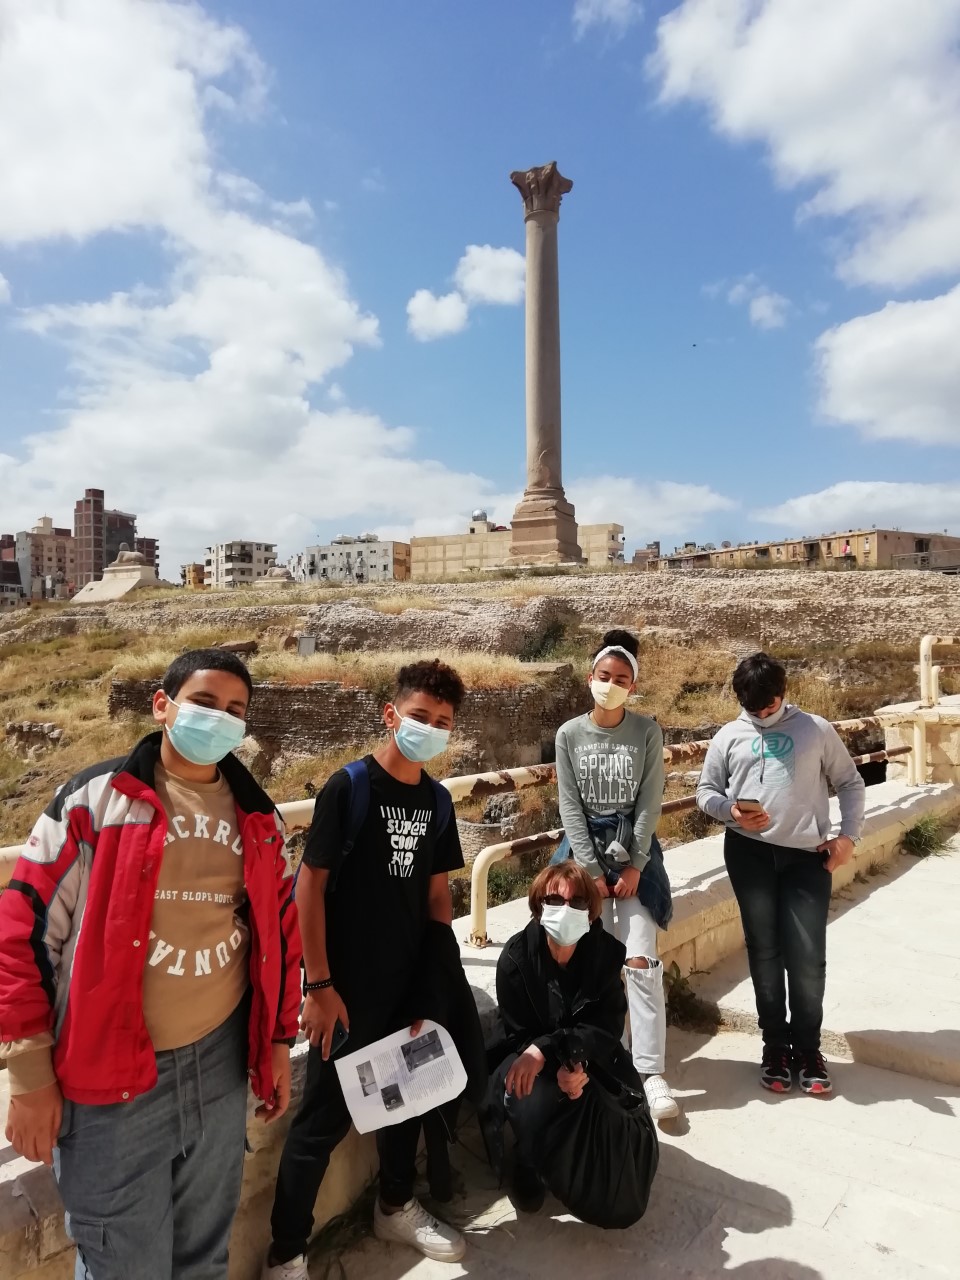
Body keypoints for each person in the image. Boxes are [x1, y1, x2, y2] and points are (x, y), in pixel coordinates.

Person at [0, 649, 302, 1280]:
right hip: (111, 1075)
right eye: (205, 703)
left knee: (203, 1258)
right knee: (122, 1265)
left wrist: (277, 1041)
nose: (220, 719)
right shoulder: (95, 800)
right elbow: (21, 931)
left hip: (218, 1062)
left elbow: (280, 935)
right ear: (163, 705)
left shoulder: (259, 818)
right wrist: (28, 1073)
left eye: (236, 710)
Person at [264, 659, 468, 1280]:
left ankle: (395, 1205)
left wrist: (433, 980)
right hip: (348, 990)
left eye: (443, 722)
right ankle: (286, 1254)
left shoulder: (436, 800)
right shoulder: (349, 788)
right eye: (420, 716)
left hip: (408, 984)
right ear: (391, 714)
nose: (430, 729)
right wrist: (319, 985)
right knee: (320, 1125)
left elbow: (437, 895)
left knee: (406, 1104)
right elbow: (308, 887)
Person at [696, 652, 865, 1095]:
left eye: (768, 706)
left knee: (807, 957)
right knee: (764, 952)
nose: (761, 715)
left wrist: (849, 836)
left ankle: (808, 1050)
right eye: (752, 709)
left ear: (783, 693)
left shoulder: (816, 729)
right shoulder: (728, 736)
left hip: (807, 858)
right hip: (748, 855)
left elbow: (850, 782)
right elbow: (706, 792)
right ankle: (775, 1047)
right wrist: (731, 810)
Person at [485, 862, 658, 1227]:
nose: (566, 909)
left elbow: (608, 1023)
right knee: (527, 1089)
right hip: (527, 1057)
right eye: (554, 900)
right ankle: (529, 1158)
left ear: (590, 911)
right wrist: (550, 1056)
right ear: (539, 905)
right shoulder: (516, 960)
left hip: (586, 1054)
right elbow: (518, 1036)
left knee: (619, 1099)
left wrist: (575, 1062)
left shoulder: (602, 954)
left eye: (577, 902)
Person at [553, 629, 678, 1122]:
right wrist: (590, 872)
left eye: (621, 679)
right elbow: (570, 805)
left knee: (641, 960)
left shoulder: (646, 732)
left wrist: (634, 865)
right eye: (604, 676)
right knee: (593, 964)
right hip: (584, 859)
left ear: (632, 686)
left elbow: (649, 801)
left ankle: (650, 1071)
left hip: (634, 856)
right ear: (591, 677)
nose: (611, 685)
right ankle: (607, 1057)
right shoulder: (569, 735)